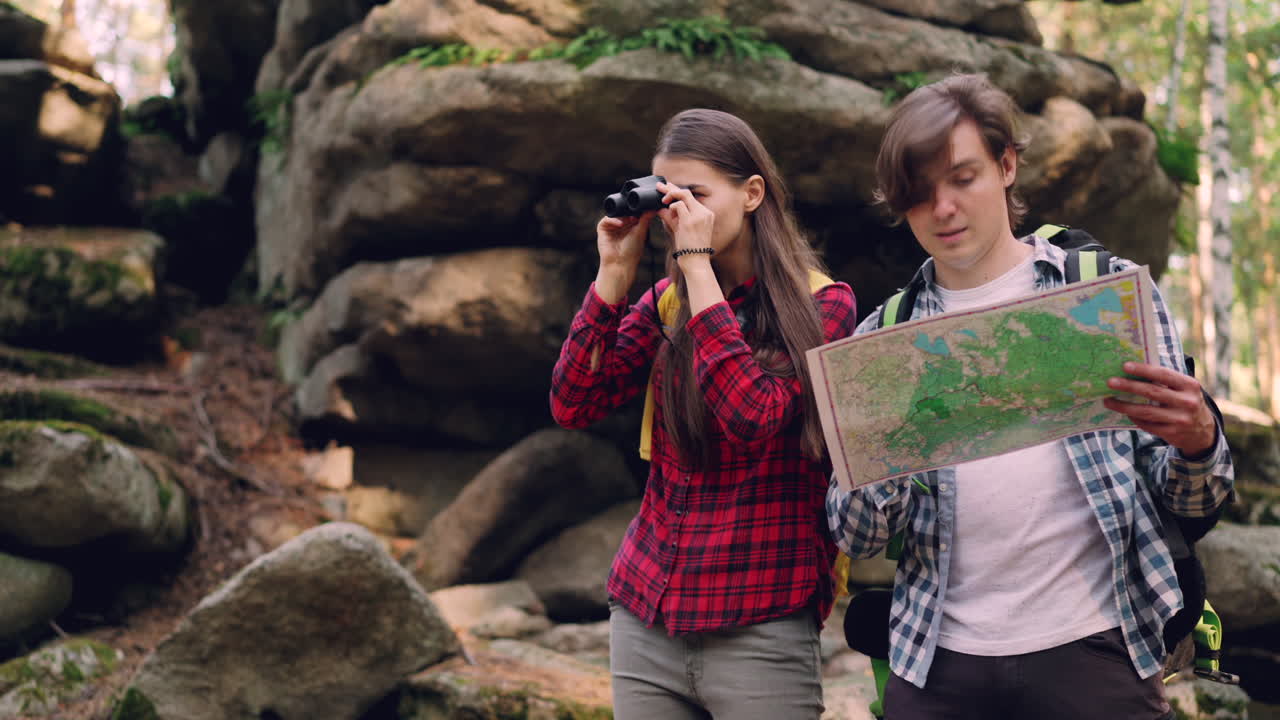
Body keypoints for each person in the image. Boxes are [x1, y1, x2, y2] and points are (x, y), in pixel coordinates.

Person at [825, 74, 1235, 720]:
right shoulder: (884, 339)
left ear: (1007, 164)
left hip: (1098, 650)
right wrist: (880, 458)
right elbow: (856, 532)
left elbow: (1192, 498)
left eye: (963, 178)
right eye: (919, 193)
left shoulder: (1107, 295)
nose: (944, 209)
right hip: (937, 665)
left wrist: (1199, 441)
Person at [550, 108, 857, 719]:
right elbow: (573, 403)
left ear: (751, 194)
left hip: (760, 623)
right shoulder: (666, 303)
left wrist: (695, 267)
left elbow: (754, 416)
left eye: (697, 195)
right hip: (646, 613)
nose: (679, 212)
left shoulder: (826, 306)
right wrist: (614, 270)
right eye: (669, 196)